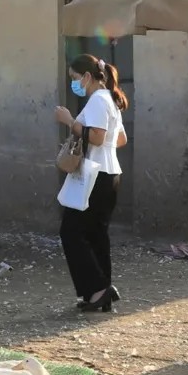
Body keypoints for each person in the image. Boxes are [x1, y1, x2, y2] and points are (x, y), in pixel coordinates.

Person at [55, 54, 128, 313]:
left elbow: (97, 137)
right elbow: (119, 140)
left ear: (87, 76)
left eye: (75, 78)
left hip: (96, 176)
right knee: (96, 234)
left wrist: (70, 122)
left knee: (71, 232)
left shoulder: (98, 99)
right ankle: (98, 292)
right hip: (110, 173)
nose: (75, 83)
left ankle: (97, 288)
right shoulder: (110, 99)